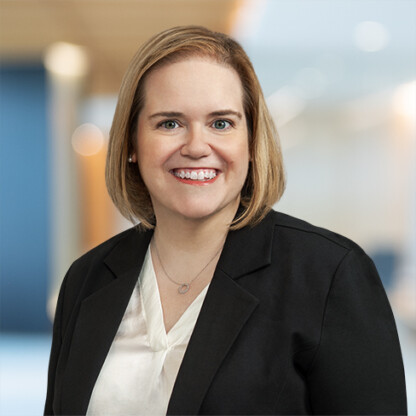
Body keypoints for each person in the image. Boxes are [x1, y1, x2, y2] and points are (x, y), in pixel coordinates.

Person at [44, 26, 407, 415]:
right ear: (132, 144)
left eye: (221, 123)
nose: (197, 147)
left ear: (251, 143)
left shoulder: (329, 276)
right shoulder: (87, 279)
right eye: (169, 123)